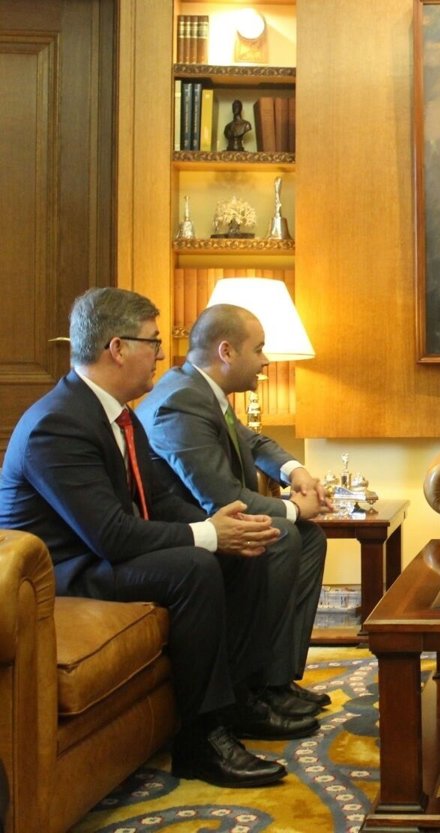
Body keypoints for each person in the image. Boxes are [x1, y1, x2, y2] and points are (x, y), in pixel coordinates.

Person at [0, 288, 317, 789]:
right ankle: (200, 740)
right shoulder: (58, 423)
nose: (163, 354)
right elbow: (111, 534)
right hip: (61, 574)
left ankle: (238, 700)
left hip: (100, 554)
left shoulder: (119, 413)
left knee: (246, 548)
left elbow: (159, 500)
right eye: (152, 341)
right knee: (194, 567)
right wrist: (207, 535)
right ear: (117, 348)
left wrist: (227, 529)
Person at [137, 303, 331, 720]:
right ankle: (248, 690)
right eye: (258, 349)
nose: (265, 360)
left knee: (310, 538)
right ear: (226, 351)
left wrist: (296, 472)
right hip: (183, 530)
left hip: (213, 516)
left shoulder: (202, 390)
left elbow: (253, 441)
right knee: (284, 534)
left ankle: (276, 679)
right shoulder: (180, 402)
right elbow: (222, 499)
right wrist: (296, 509)